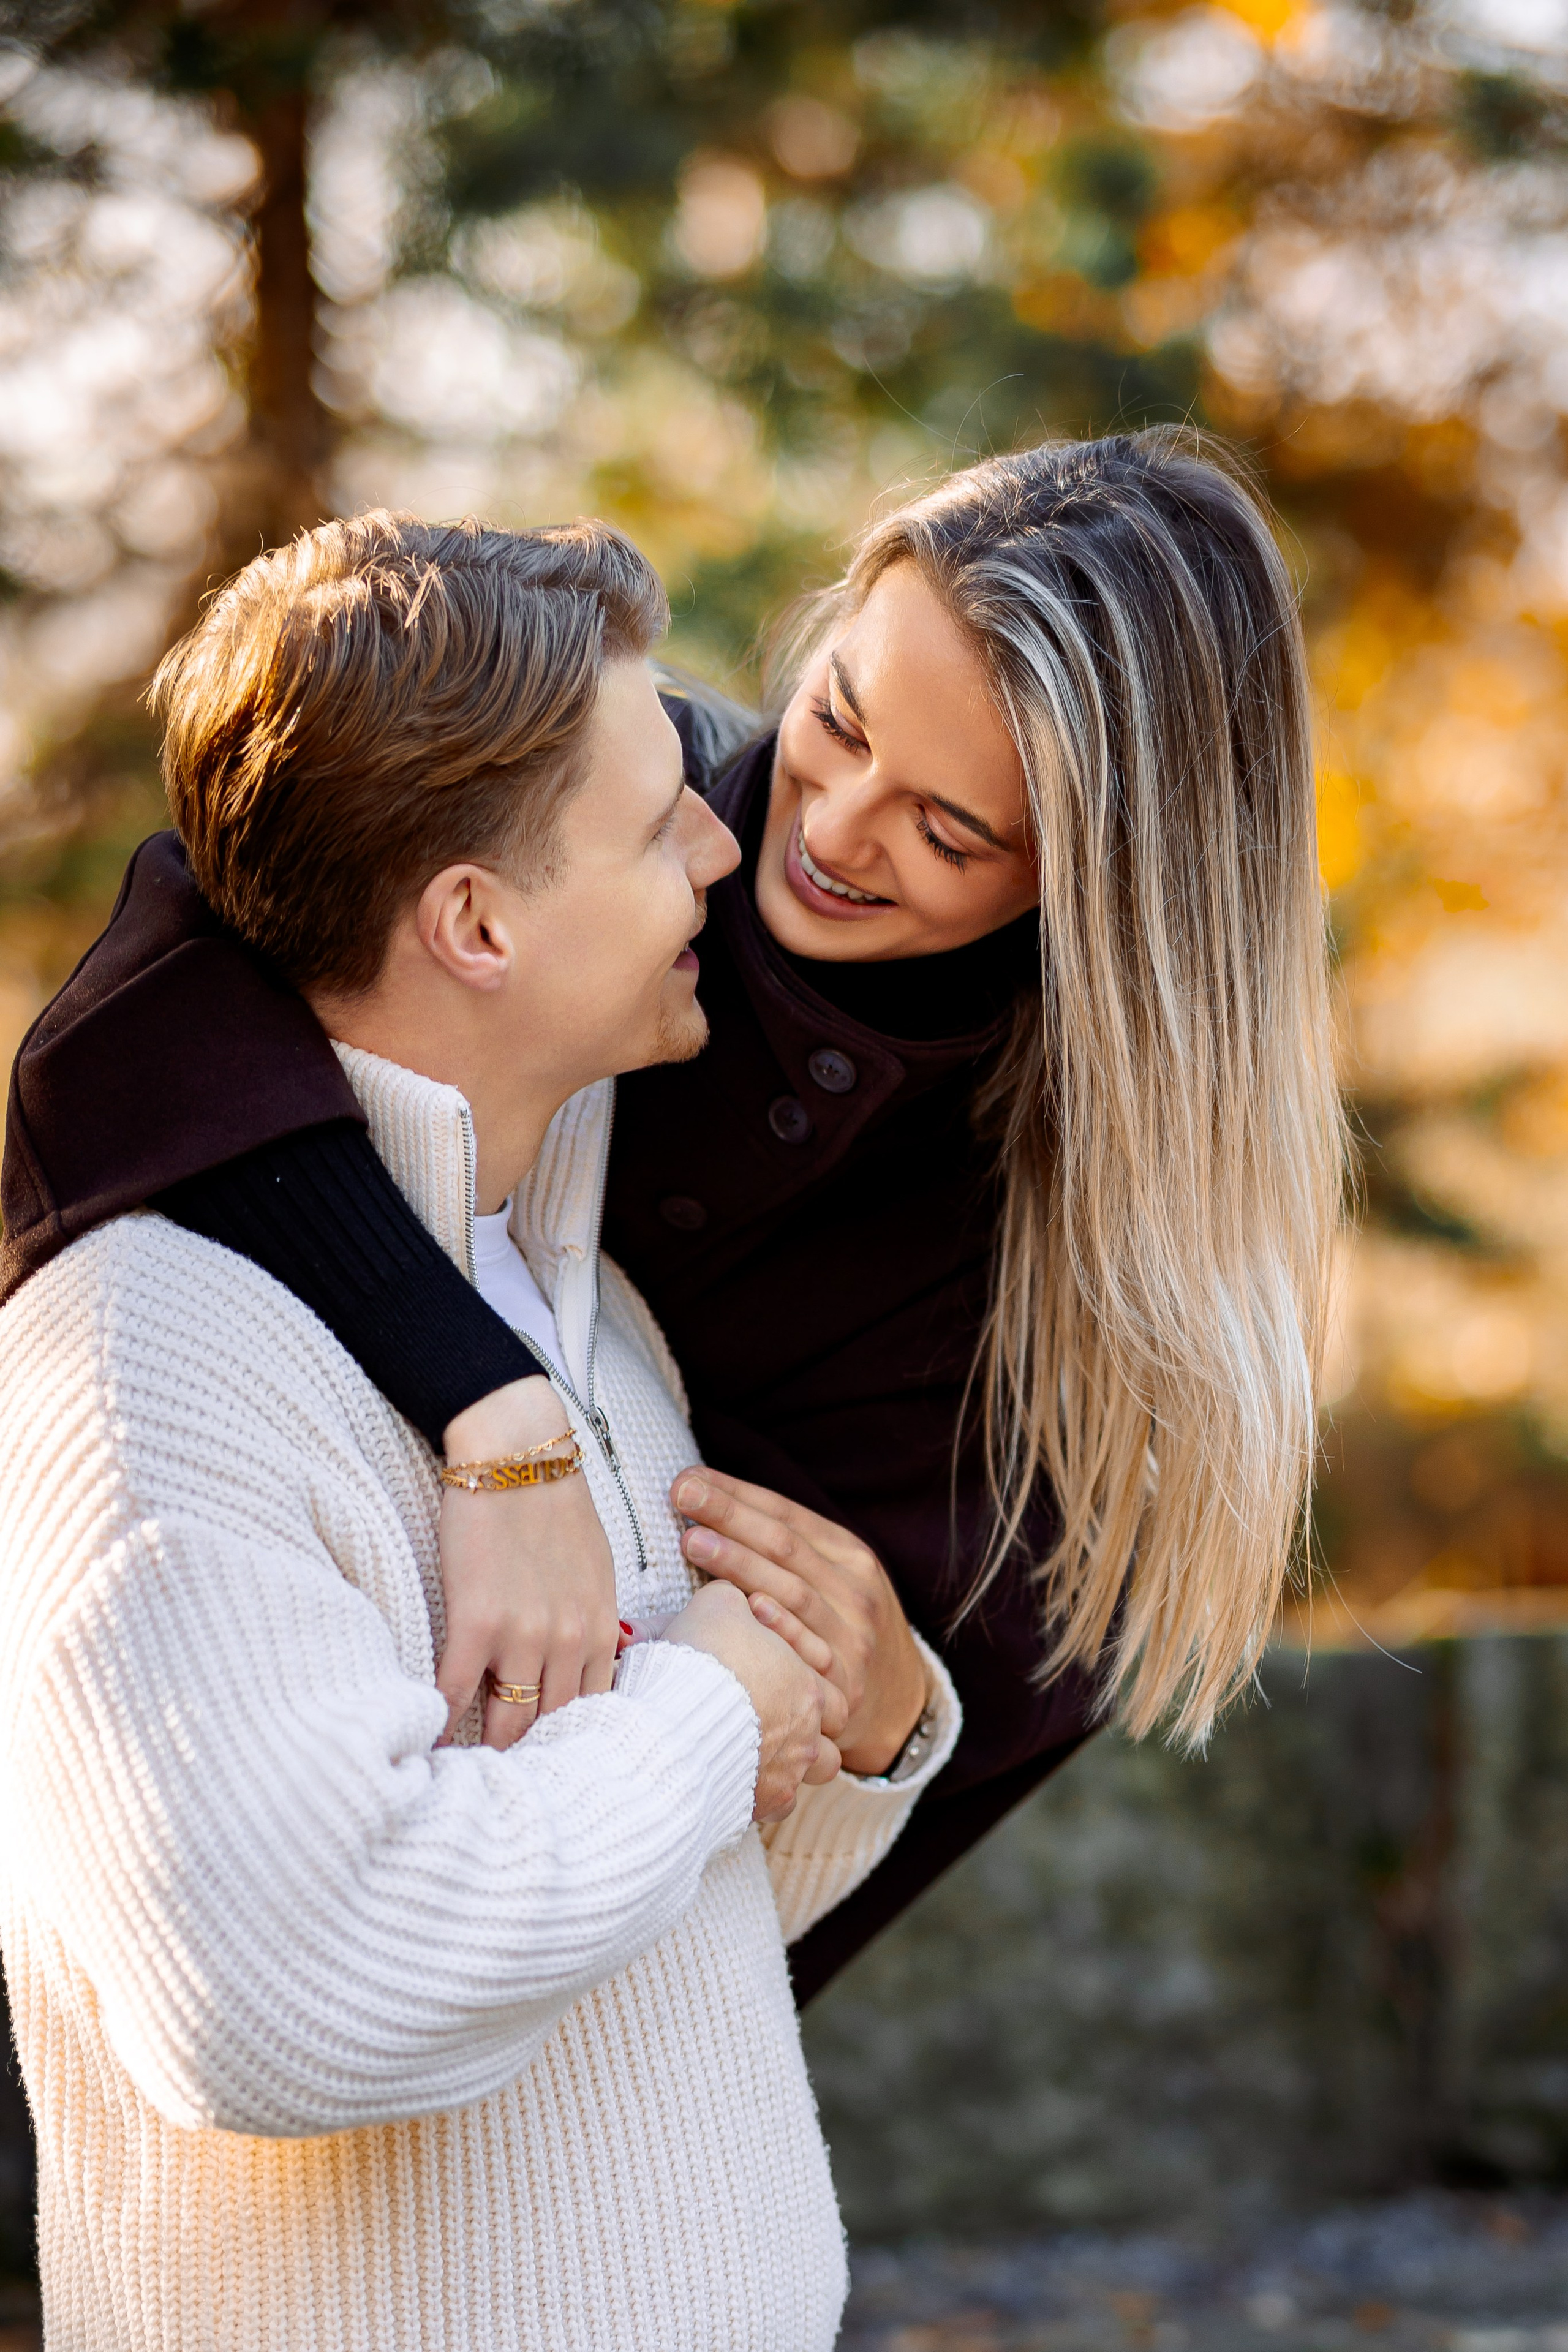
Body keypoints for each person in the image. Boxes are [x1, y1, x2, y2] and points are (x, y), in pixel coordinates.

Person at [2, 427, 1344, 2002]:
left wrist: (897, 1706)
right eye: (835, 721)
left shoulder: (1070, 1266)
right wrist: (489, 1403)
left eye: (948, 830)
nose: (826, 831)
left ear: (1101, 887)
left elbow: (857, 1824)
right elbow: (129, 1049)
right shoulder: (611, 812)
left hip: (586, 1986)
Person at [0, 511, 960, 2352]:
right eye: (658, 811)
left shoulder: (585, 1316)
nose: (723, 837)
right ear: (476, 923)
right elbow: (281, 1995)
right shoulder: (152, 1365)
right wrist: (709, 1709)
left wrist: (859, 1706)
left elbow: (669, 1929)